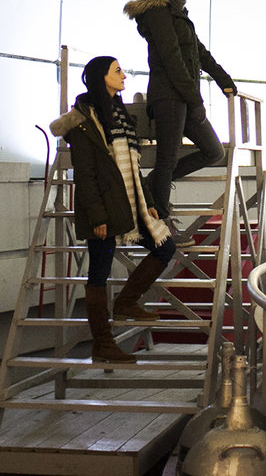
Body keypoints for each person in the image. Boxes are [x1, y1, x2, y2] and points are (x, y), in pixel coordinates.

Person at [50, 55, 177, 363]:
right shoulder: (83, 121)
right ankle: (103, 344)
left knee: (165, 247)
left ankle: (125, 303)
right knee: (98, 273)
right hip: (104, 209)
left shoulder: (119, 114)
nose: (123, 76)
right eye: (117, 71)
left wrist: (149, 203)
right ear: (101, 77)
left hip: (130, 204)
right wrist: (97, 216)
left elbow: (133, 166)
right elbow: (86, 174)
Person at [124, 0, 237, 239]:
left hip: (184, 97)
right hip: (169, 97)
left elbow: (200, 52)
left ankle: (150, 186)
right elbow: (171, 59)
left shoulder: (178, 12)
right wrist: (195, 100)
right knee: (168, 159)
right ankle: (161, 220)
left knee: (214, 151)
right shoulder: (158, 12)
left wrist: (224, 80)